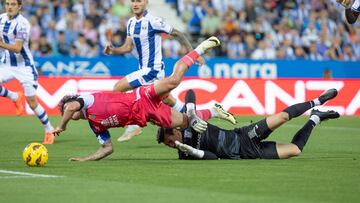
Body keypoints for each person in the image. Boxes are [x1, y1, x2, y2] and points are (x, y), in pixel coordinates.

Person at [53, 36, 220, 161]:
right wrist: (85, 159)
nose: (68, 113)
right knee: (186, 122)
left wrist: (62, 126)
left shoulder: (86, 100)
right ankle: (214, 111)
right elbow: (107, 149)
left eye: (66, 110)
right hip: (147, 114)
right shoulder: (95, 126)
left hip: (142, 96)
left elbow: (70, 108)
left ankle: (199, 49)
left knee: (173, 81)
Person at [103, 0, 205, 142]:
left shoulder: (153, 21)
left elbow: (178, 34)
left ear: (146, 2)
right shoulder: (131, 23)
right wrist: (114, 50)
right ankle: (199, 117)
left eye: (139, 1)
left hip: (152, 70)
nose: (135, 4)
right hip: (146, 70)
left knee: (117, 88)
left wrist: (194, 54)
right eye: (133, 1)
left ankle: (134, 124)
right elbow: (127, 47)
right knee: (169, 100)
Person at [157, 88, 340, 160]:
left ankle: (316, 102)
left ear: (174, 129)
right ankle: (315, 118)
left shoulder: (188, 121)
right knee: (295, 150)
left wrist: (192, 113)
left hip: (243, 136)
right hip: (249, 153)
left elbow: (190, 93)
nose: (172, 145)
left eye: (170, 140)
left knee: (282, 117)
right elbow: (213, 158)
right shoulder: (184, 154)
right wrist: (193, 152)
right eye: (168, 145)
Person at [0, 0, 55, 144]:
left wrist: (0, 44)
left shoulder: (23, 24)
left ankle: (49, 130)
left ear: (19, 6)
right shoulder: (1, 19)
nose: (10, 7)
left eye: (13, 4)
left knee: (31, 102)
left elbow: (18, 48)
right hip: (6, 64)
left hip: (24, 67)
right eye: (7, 4)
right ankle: (14, 96)